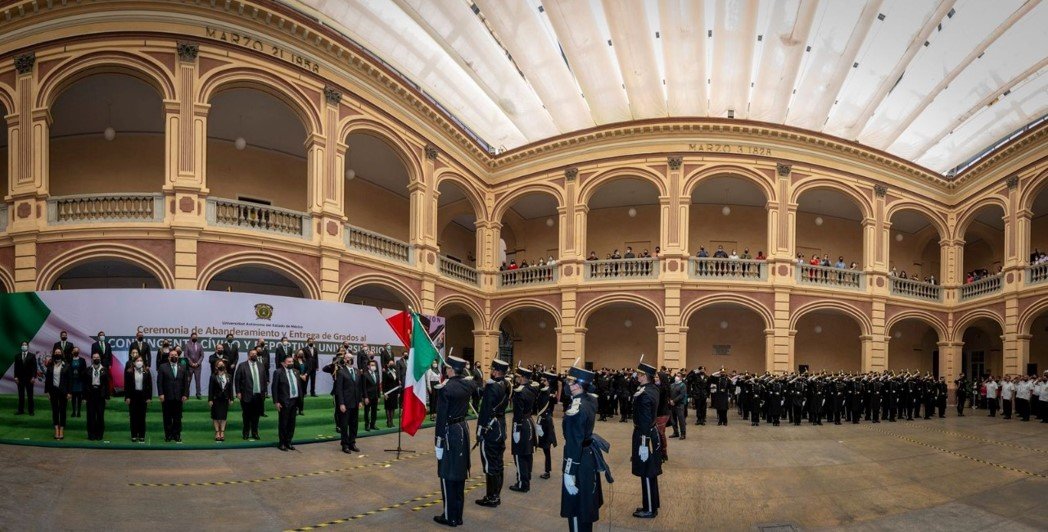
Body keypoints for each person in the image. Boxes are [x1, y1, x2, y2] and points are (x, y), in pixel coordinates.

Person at [560, 365, 608, 532]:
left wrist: (569, 471)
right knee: (586, 502)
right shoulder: (590, 400)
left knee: (575, 507)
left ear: (578, 385)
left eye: (570, 381)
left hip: (578, 460)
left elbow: (573, 443)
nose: (567, 384)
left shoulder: (576, 409)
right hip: (588, 457)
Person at [433, 356, 478, 527]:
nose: (445, 370)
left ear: (451, 369)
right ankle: (457, 515)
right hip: (463, 429)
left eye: (447, 368)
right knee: (459, 474)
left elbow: (441, 418)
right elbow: (476, 382)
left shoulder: (446, 389)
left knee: (447, 474)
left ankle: (449, 516)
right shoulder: (468, 384)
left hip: (450, 432)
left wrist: (438, 441)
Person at [476, 359, 511, 508]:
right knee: (498, 463)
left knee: (490, 465)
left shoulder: (492, 386)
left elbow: (485, 411)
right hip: (500, 428)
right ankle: (496, 495)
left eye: (492, 369)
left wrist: (480, 430)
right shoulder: (507, 384)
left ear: (496, 371)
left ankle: (492, 497)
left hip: (490, 429)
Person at [631, 360, 662, 519]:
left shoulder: (644, 395)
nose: (636, 376)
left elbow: (643, 421)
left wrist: (643, 444)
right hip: (651, 433)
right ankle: (652, 503)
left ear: (644, 376)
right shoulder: (652, 389)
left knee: (647, 473)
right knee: (650, 473)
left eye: (639, 374)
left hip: (645, 436)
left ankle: (649, 509)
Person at [509, 366, 537, 493]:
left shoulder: (519, 392)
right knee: (528, 453)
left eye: (518, 377)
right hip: (530, 421)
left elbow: (518, 413)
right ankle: (527, 477)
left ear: (522, 377)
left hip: (522, 424)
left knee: (519, 455)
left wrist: (516, 429)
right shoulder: (532, 389)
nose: (516, 379)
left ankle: (522, 483)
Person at [157, 349, 190, 443]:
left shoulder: (183, 367)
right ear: (168, 357)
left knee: (177, 418)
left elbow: (185, 383)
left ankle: (176, 435)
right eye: (172, 355)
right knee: (167, 418)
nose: (174, 356)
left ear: (178, 357)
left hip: (179, 397)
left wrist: (185, 394)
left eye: (175, 355)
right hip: (166, 397)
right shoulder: (162, 367)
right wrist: (161, 394)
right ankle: (168, 435)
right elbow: (159, 382)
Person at [235, 349, 267, 441]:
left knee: (256, 416)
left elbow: (264, 379)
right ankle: (245, 433)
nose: (254, 355)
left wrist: (264, 392)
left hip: (258, 395)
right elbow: (237, 380)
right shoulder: (242, 366)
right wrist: (238, 392)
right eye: (252, 354)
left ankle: (255, 433)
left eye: (255, 354)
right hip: (246, 395)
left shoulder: (261, 365)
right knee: (246, 416)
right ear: (248, 355)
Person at [333, 351, 362, 453]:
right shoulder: (341, 372)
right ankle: (345, 444)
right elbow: (339, 389)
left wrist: (360, 401)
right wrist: (341, 403)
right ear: (345, 360)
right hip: (345, 403)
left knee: (354, 425)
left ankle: (352, 443)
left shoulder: (357, 371)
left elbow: (359, 388)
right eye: (349, 357)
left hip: (355, 403)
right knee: (344, 425)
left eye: (352, 357)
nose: (351, 359)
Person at [272, 353, 302, 451]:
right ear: (283, 363)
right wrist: (276, 402)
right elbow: (274, 388)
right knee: (283, 423)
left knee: (292, 423)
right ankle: (282, 443)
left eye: (292, 361)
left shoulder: (296, 372)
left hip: (295, 401)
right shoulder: (278, 372)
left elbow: (299, 387)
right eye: (289, 362)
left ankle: (289, 442)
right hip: (284, 402)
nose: (291, 363)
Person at [536, 371, 559, 479]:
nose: (541, 382)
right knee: (545, 448)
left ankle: (547, 471)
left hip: (546, 422)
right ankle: (547, 470)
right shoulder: (543, 391)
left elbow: (552, 402)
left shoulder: (548, 392)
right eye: (541, 380)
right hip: (542, 420)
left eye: (543, 380)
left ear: (548, 381)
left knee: (546, 448)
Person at [125, 354, 152, 442]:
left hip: (143, 396)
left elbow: (149, 386)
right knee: (133, 417)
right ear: (134, 362)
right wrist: (127, 397)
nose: (139, 362)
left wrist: (149, 397)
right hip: (133, 396)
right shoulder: (129, 372)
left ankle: (141, 435)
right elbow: (127, 386)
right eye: (137, 361)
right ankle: (134, 435)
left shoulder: (147, 372)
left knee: (142, 417)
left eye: (141, 361)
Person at [45, 349, 71, 440]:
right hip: (53, 391)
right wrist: (47, 391)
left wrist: (69, 392)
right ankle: (56, 428)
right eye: (56, 353)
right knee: (55, 410)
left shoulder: (67, 365)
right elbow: (47, 379)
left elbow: (69, 380)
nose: (57, 354)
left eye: (59, 353)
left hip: (64, 392)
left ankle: (62, 429)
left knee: (63, 411)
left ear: (62, 354)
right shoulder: (50, 364)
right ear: (53, 354)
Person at [85, 352, 111, 441]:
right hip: (91, 394)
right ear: (92, 359)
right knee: (91, 416)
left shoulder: (105, 370)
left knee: (100, 415)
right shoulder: (88, 369)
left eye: (97, 357)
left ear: (100, 359)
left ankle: (99, 434)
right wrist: (84, 397)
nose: (96, 358)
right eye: (94, 357)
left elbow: (107, 385)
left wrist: (107, 397)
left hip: (101, 394)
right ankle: (91, 434)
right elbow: (85, 385)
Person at [209, 362, 233, 441]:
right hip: (216, 399)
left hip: (225, 399)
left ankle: (222, 432)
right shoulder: (213, 376)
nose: (221, 366)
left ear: (225, 366)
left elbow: (230, 388)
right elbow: (210, 389)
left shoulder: (229, 376)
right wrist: (210, 399)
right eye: (219, 365)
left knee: (223, 416)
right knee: (215, 416)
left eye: (222, 365)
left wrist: (231, 398)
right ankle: (217, 432)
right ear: (216, 367)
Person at [14, 341, 38, 416]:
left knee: (30, 396)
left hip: (29, 379)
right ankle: (20, 410)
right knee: (21, 395)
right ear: (21, 346)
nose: (24, 346)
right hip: (20, 378)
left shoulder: (32, 356)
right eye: (23, 345)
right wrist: (15, 377)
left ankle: (31, 411)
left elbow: (34, 368)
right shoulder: (17, 356)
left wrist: (33, 377)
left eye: (25, 345)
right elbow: (16, 367)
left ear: (28, 346)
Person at [183, 332, 204, 399]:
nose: (194, 338)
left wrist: (197, 363)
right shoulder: (187, 345)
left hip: (198, 366)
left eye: (196, 337)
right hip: (189, 366)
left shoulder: (200, 345)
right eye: (193, 337)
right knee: (188, 381)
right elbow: (186, 355)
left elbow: (202, 356)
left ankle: (198, 394)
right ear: (191, 337)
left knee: (198, 381)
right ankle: (186, 395)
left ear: (197, 338)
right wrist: (191, 363)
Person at [363, 359, 381, 431]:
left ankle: (373, 424)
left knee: (374, 411)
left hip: (375, 396)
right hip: (368, 396)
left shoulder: (377, 374)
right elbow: (363, 387)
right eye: (372, 365)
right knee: (367, 411)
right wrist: (365, 397)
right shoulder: (365, 374)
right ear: (368, 366)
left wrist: (379, 396)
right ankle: (367, 425)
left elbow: (378, 386)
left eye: (374, 365)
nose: (373, 366)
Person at [382, 360, 401, 428]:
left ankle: (391, 421)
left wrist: (398, 392)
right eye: (390, 363)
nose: (392, 364)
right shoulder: (385, 372)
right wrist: (384, 393)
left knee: (393, 407)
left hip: (394, 392)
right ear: (388, 364)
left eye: (393, 363)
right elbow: (383, 384)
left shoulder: (395, 371)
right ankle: (388, 422)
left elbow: (397, 383)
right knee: (388, 407)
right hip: (388, 392)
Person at [670, 373, 687, 439]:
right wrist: (670, 400)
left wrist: (674, 401)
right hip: (672, 405)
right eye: (676, 376)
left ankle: (683, 434)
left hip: (679, 405)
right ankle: (675, 432)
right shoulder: (672, 385)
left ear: (681, 378)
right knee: (673, 420)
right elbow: (669, 393)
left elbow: (682, 395)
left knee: (681, 420)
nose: (676, 377)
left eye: (678, 376)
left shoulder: (683, 385)